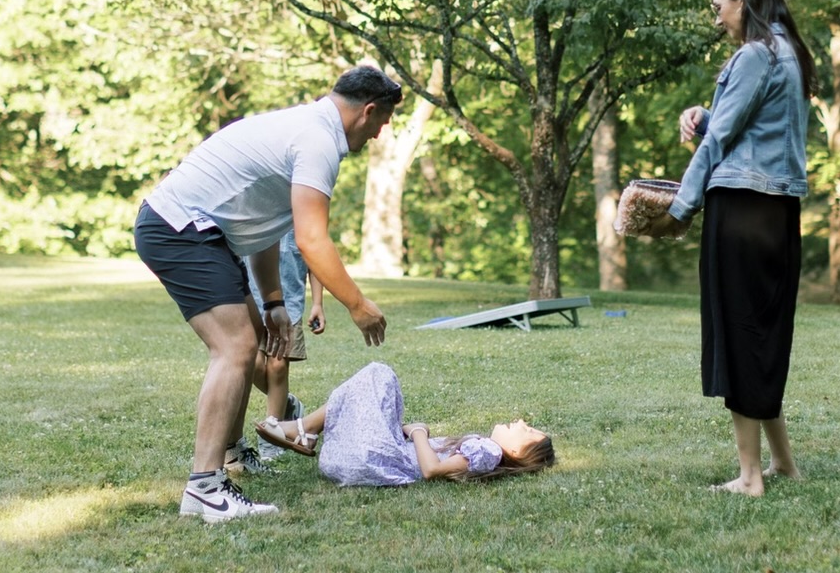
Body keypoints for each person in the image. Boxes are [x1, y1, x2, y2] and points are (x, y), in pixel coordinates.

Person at [136, 65, 401, 523]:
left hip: (200, 231)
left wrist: (274, 302)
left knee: (252, 338)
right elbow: (312, 240)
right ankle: (205, 488)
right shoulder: (318, 142)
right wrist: (358, 305)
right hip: (180, 228)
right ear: (369, 110)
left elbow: (262, 227)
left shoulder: (306, 128)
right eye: (383, 123)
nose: (380, 134)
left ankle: (233, 454)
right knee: (235, 347)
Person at [668, 0, 814, 497]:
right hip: (778, 212)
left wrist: (680, 207)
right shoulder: (789, 53)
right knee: (764, 334)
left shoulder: (754, 55)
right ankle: (783, 464)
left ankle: (750, 477)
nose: (717, 18)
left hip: (742, 209)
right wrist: (703, 116)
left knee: (740, 334)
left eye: (719, 6)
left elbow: (721, 140)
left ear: (743, 1)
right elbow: (751, 124)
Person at [257, 362, 555, 486]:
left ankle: (305, 429)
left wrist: (419, 432)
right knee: (365, 388)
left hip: (374, 460)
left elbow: (431, 470)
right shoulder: (485, 453)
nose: (520, 421)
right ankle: (305, 430)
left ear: (517, 451)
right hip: (355, 462)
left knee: (379, 374)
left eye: (527, 430)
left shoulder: (489, 451)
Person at [249, 230, 325, 463]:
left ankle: (273, 431)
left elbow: (316, 259)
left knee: (278, 366)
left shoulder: (303, 217)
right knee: (251, 364)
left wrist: (318, 304)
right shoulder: (256, 210)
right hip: (251, 301)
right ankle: (288, 404)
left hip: (289, 306)